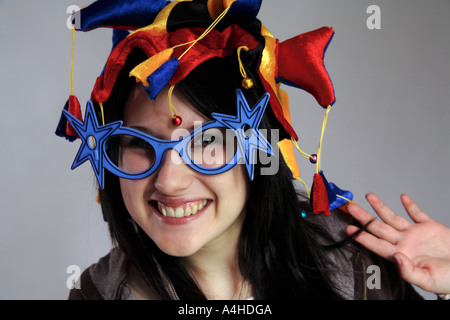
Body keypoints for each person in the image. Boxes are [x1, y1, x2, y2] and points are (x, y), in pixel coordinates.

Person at [57, 0, 450, 300]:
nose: (170, 180)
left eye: (208, 140)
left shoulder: (359, 268)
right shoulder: (97, 293)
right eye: (140, 144)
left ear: (260, 150)